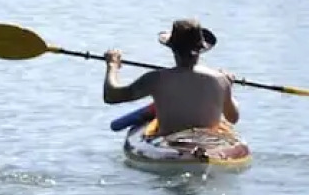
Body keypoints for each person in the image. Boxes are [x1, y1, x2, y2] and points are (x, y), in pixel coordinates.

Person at [102, 18, 238, 136]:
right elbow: (233, 118)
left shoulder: (155, 79)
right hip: (209, 143)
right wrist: (227, 89)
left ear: (172, 48)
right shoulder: (220, 80)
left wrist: (112, 66)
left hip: (171, 144)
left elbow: (111, 96)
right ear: (201, 49)